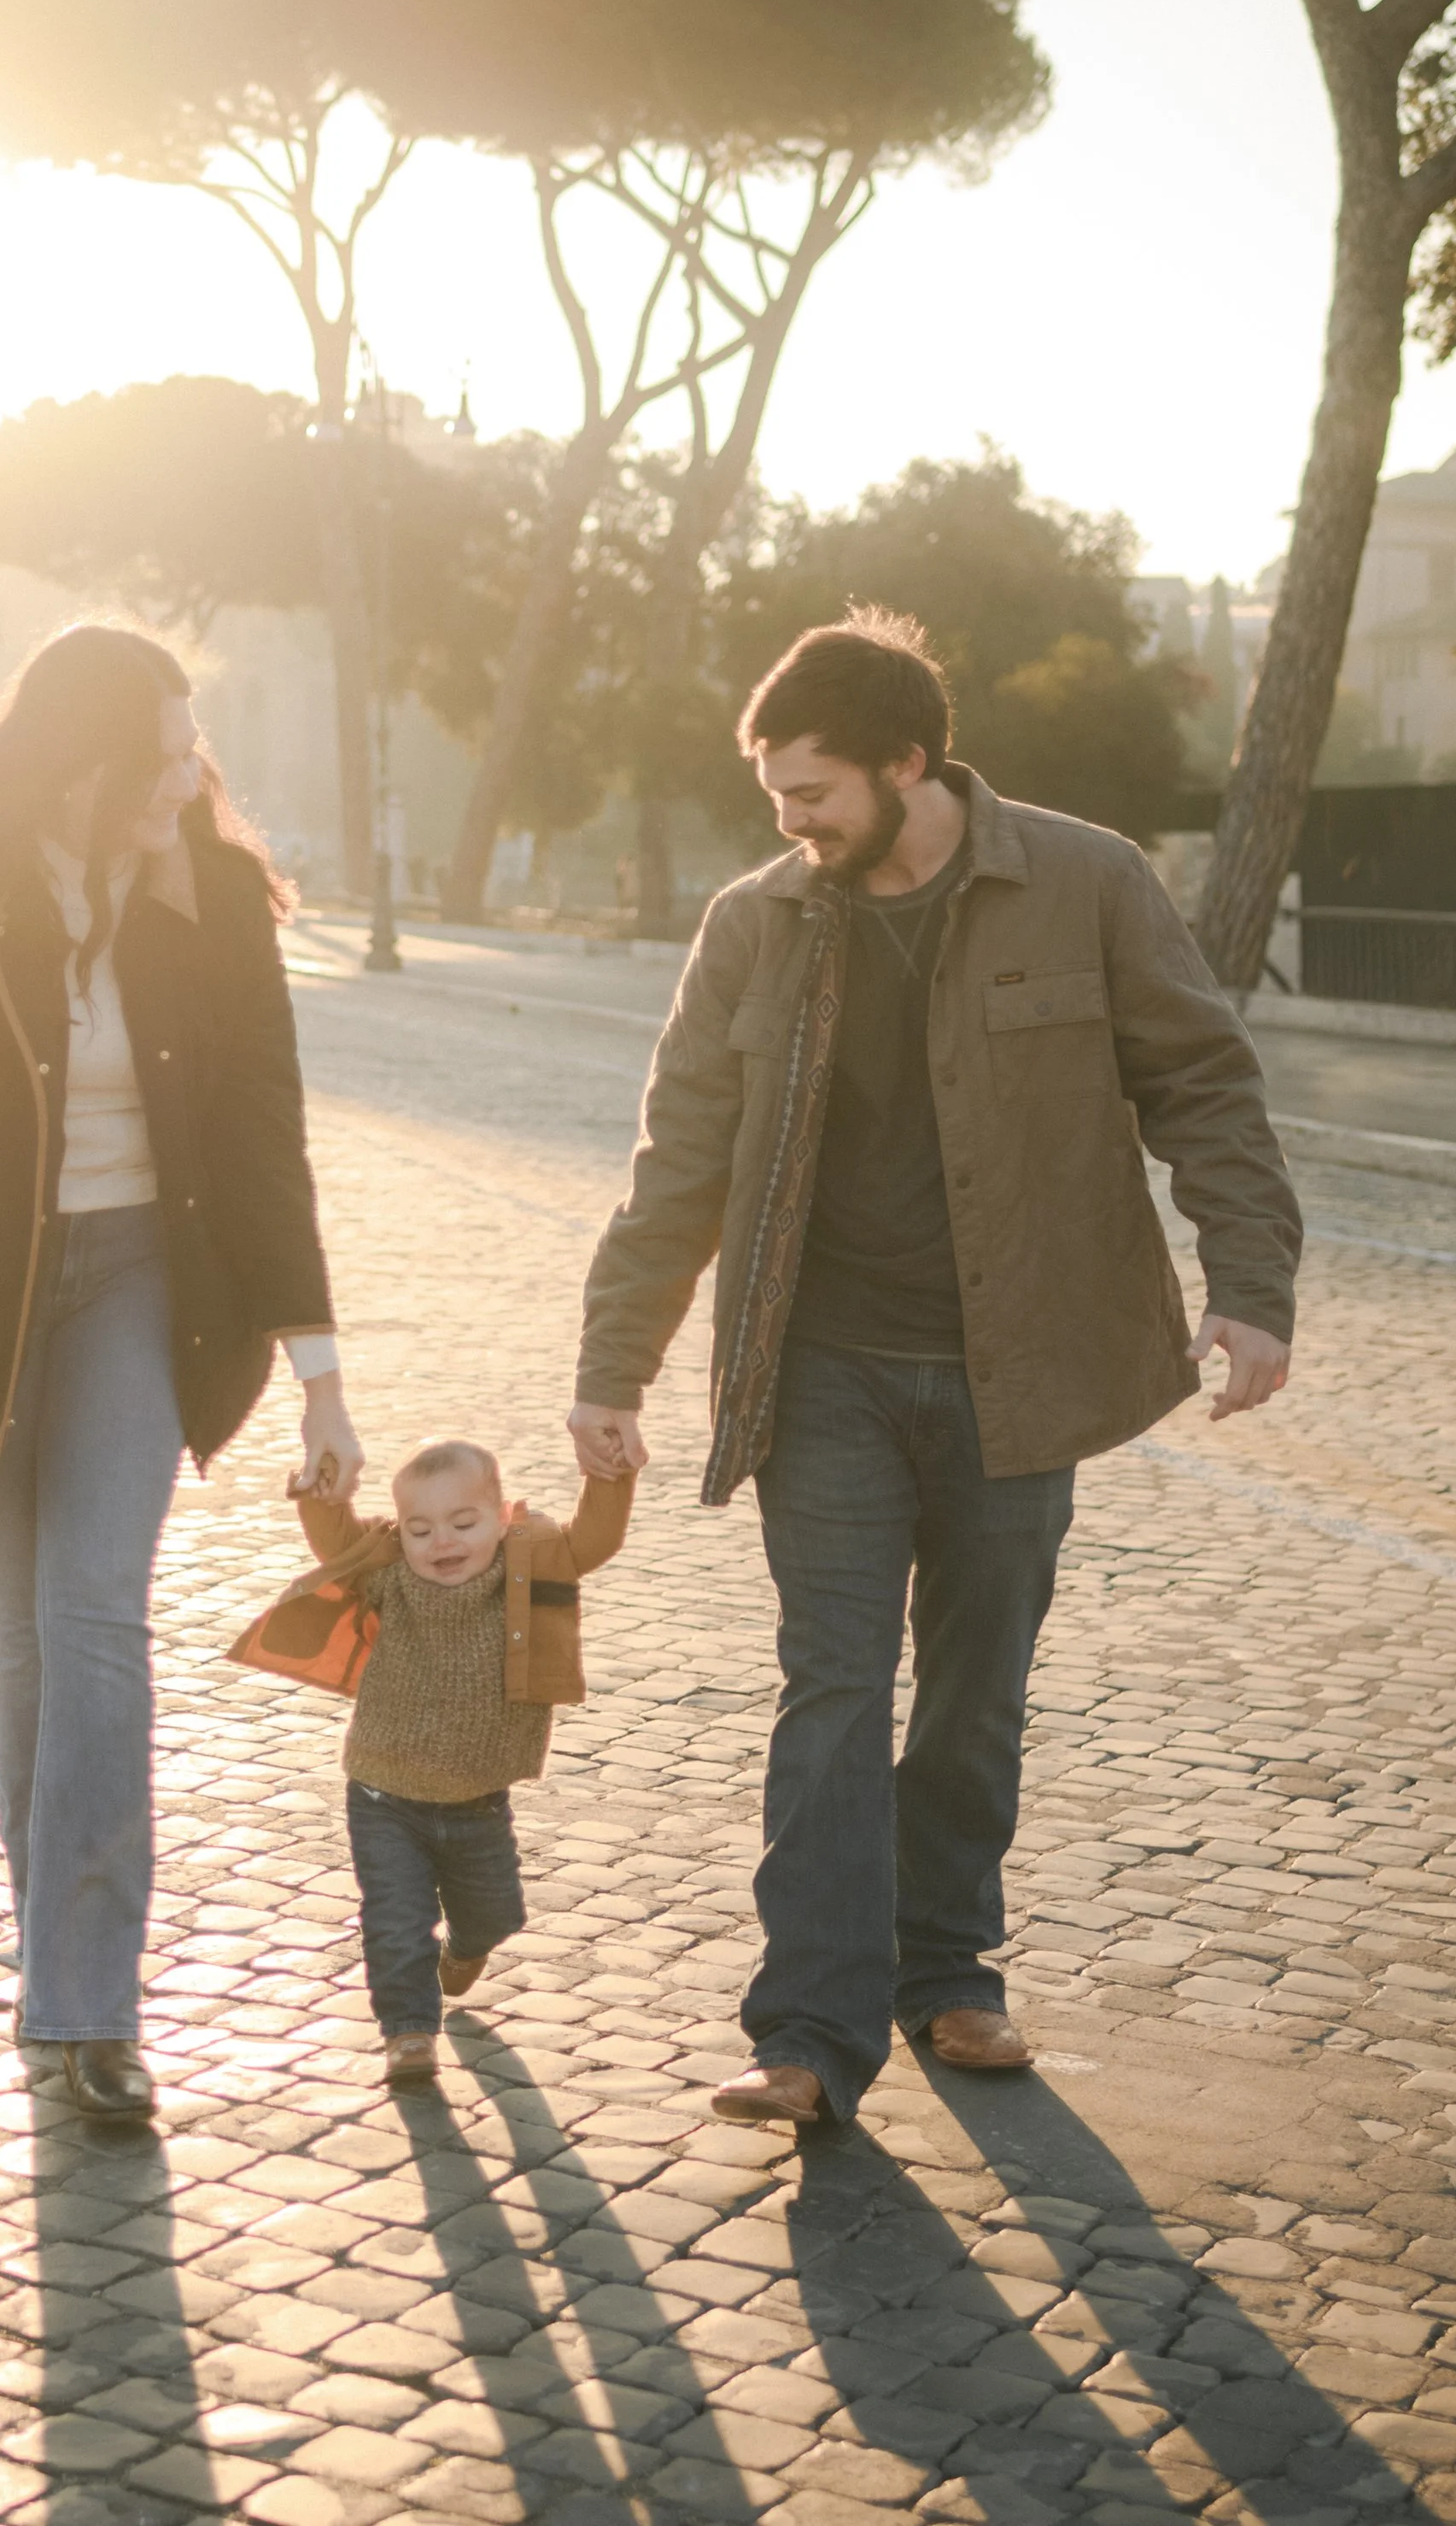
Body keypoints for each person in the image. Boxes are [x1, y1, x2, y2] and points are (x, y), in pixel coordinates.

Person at [570, 611, 1301, 2128]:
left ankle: (950, 1974)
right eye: (775, 798)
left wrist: (1250, 1285)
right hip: (821, 1366)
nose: (794, 824)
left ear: (912, 761)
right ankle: (811, 2034)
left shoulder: (1085, 880)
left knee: (973, 1688)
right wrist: (613, 1364)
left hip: (1019, 1367)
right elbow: (679, 1159)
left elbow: (1202, 1083)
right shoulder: (759, 921)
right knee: (831, 1685)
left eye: (817, 793)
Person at [0, 623, 362, 2122]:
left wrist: (320, 1374)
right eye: (170, 747)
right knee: (20, 1647)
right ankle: (51, 1954)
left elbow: (266, 1139)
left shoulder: (215, 904)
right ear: (88, 761)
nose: (196, 770)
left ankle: (87, 2004)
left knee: (92, 1622)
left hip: (145, 1286)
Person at [230, 1437, 633, 2085]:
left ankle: (466, 1947)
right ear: (401, 1530)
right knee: (395, 1918)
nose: (441, 1542)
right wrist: (320, 1491)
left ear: (501, 1516)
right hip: (384, 1793)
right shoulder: (392, 1571)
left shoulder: (528, 1563)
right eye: (421, 1529)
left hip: (479, 1801)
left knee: (495, 1913)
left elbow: (596, 1538)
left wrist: (609, 1477)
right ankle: (409, 2032)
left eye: (463, 1523)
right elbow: (339, 1542)